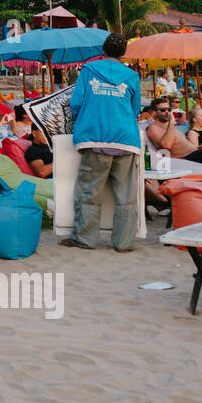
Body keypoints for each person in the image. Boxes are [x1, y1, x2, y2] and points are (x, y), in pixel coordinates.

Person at [64, 33, 142, 252]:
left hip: (94, 136)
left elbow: (76, 104)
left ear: (103, 50)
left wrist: (89, 114)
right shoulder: (132, 75)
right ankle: (124, 243)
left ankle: (85, 239)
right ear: (123, 53)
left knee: (89, 192)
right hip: (126, 139)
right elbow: (135, 110)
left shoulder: (88, 71)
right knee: (126, 195)